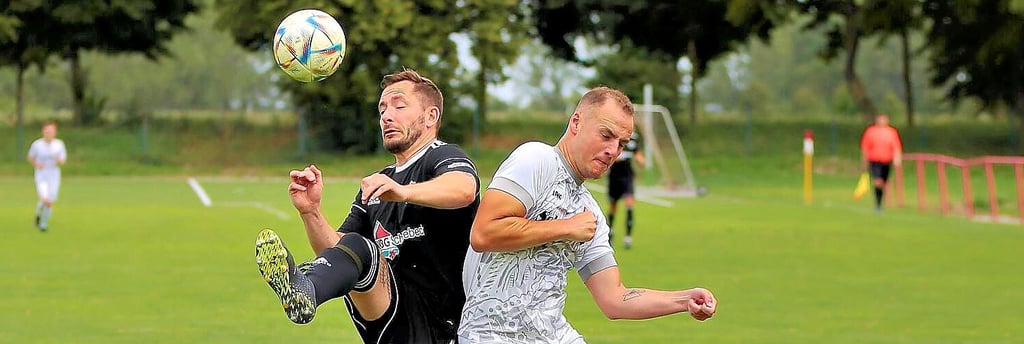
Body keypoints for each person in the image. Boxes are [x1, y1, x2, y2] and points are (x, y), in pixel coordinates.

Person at [459, 87, 716, 343]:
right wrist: (566, 228)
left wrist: (685, 299)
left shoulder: (589, 212)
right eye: (606, 135)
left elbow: (614, 299)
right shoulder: (536, 159)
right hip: (491, 335)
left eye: (621, 144)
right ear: (576, 122)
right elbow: (483, 234)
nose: (613, 150)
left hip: (553, 336)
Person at [255, 68, 481, 343]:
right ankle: (307, 290)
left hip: (447, 323)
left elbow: (464, 189)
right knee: (355, 248)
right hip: (394, 319)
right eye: (382, 109)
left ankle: (308, 286)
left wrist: (403, 192)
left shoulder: (442, 155)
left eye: (399, 106)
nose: (386, 116)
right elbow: (336, 254)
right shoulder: (378, 183)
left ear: (430, 116)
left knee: (363, 249)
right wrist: (310, 211)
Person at [606, 131, 645, 249]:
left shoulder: (633, 139)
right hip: (614, 176)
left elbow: (638, 155)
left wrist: (640, 160)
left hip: (627, 177)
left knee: (629, 204)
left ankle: (628, 237)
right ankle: (610, 230)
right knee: (613, 206)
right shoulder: (614, 134)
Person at [27, 121, 67, 232]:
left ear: (55, 132)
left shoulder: (59, 144)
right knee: (45, 199)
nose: (49, 133)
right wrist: (37, 164)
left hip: (54, 174)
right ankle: (43, 225)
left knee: (50, 200)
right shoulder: (37, 144)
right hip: (41, 174)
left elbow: (62, 160)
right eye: (47, 131)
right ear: (43, 132)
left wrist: (59, 161)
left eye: (51, 131)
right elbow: (30, 157)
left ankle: (40, 220)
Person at [859, 114, 902, 212]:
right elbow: (865, 147)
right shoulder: (871, 131)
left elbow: (896, 146)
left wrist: (897, 158)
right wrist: (864, 161)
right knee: (878, 181)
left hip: (886, 161)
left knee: (883, 182)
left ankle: (880, 201)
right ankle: (878, 205)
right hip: (875, 160)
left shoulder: (892, 132)